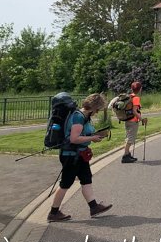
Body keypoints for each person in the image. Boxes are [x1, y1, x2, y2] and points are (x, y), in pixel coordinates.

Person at [47, 93, 112, 222]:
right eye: (97, 109)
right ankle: (53, 213)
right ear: (93, 107)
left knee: (86, 179)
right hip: (71, 156)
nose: (97, 112)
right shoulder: (78, 117)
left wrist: (92, 136)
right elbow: (74, 138)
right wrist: (92, 138)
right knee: (66, 183)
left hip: (79, 154)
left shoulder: (83, 116)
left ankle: (94, 207)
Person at [122, 81, 147, 163]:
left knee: (128, 136)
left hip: (127, 119)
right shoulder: (136, 98)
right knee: (130, 138)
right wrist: (142, 119)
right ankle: (125, 155)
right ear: (140, 89)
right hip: (133, 121)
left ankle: (128, 154)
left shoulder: (129, 97)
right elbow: (134, 111)